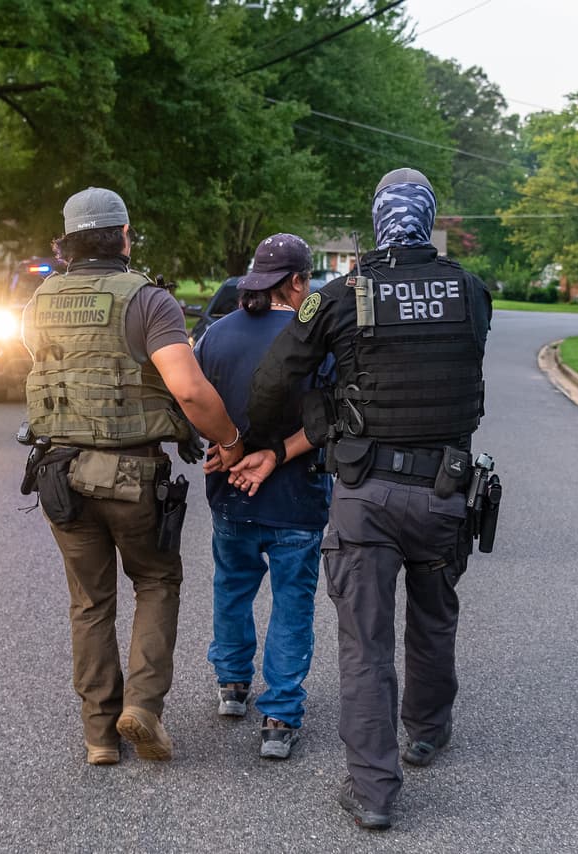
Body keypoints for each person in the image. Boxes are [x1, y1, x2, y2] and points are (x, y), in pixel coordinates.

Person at [241, 168, 492, 830]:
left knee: (364, 641)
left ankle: (375, 791)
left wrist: (259, 439)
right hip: (445, 491)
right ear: (428, 216)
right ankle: (426, 733)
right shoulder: (468, 290)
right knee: (435, 618)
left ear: (376, 221)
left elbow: (274, 378)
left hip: (365, 495)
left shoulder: (338, 295)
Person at [21, 186, 244, 766]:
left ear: (67, 243)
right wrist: (232, 442)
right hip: (133, 476)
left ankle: (99, 736)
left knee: (90, 604)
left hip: (59, 476)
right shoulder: (148, 300)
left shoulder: (38, 301)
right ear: (123, 236)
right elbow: (190, 390)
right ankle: (142, 709)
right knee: (155, 580)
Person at [193, 233, 331, 760]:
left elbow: (191, 399)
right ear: (296, 282)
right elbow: (329, 421)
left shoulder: (216, 335)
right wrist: (276, 453)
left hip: (231, 494)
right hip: (297, 496)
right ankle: (279, 715)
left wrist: (224, 446)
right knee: (292, 605)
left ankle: (231, 686)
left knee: (232, 588)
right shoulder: (315, 339)